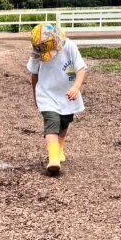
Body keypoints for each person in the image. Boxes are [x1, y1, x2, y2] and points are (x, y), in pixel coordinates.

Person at [27, 23, 87, 175]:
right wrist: (36, 96)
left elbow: (81, 68)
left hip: (67, 94)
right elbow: (34, 75)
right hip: (46, 94)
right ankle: (53, 159)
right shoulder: (37, 54)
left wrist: (76, 87)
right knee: (52, 122)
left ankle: (59, 147)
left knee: (65, 121)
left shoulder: (69, 47)